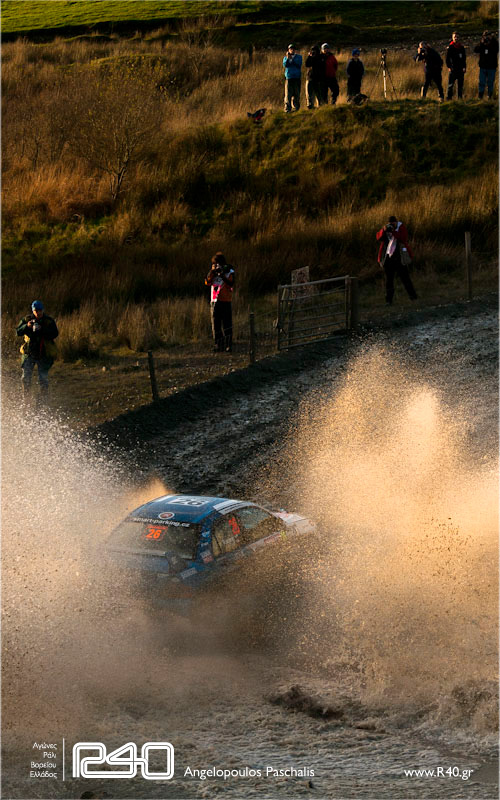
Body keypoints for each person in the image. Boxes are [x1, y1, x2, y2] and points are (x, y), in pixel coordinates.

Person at [16, 300, 58, 400]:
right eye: (35, 311)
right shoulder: (27, 320)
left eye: (39, 310)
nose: (38, 313)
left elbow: (55, 334)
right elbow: (18, 332)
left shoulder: (48, 321)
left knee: (43, 379)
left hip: (43, 354)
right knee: (25, 378)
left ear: (43, 310)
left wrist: (42, 330)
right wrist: (27, 326)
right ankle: (26, 399)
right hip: (29, 354)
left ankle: (43, 399)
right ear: (32, 311)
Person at [376, 216, 418, 305]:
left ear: (396, 222)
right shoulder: (386, 228)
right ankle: (389, 300)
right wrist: (383, 230)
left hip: (399, 258)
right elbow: (378, 238)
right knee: (389, 280)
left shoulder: (401, 227)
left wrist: (394, 232)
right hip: (388, 258)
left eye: (393, 224)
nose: (392, 225)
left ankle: (413, 296)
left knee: (405, 278)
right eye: (390, 224)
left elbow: (403, 238)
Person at [205, 253, 235, 352]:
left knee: (227, 324)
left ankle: (228, 345)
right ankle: (218, 344)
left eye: (218, 264)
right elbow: (207, 282)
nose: (217, 266)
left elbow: (231, 283)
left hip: (225, 300)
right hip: (214, 300)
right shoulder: (213, 273)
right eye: (215, 264)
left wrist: (222, 275)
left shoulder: (229, 271)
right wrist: (212, 272)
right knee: (216, 325)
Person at [474, 31, 499, 99]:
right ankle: (480, 96)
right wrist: (481, 43)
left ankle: (489, 96)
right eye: (485, 36)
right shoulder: (482, 43)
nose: (487, 37)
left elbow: (496, 50)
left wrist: (490, 43)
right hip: (483, 66)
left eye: (488, 36)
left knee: (490, 82)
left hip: (492, 66)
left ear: (491, 36)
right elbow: (476, 50)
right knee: (481, 82)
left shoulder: (494, 42)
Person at [446, 31, 467, 99]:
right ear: (452, 38)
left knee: (460, 85)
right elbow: (447, 59)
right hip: (453, 69)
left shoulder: (461, 48)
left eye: (457, 37)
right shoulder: (450, 47)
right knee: (451, 85)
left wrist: (464, 67)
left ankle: (459, 98)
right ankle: (449, 98)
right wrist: (449, 67)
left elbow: (464, 58)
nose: (456, 38)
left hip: (460, 69)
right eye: (455, 37)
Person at [282, 44, 302, 113]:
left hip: (297, 77)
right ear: (288, 50)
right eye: (290, 49)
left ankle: (296, 108)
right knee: (288, 94)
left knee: (297, 94)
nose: (292, 50)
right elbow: (285, 65)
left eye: (293, 49)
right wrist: (288, 59)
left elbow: (298, 65)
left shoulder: (299, 57)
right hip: (289, 77)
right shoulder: (285, 58)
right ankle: (287, 109)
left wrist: (292, 60)